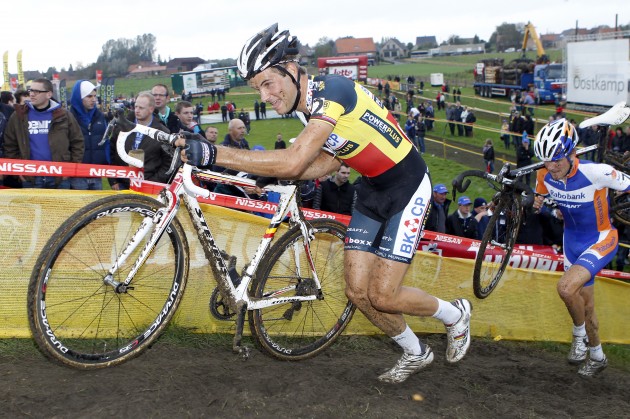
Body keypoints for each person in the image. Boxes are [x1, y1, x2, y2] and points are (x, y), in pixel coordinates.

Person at [177, 24, 472, 384]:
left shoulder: (332, 91)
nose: (266, 96)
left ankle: (454, 314)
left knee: (382, 294)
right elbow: (333, 160)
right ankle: (415, 352)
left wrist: (214, 153)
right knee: (358, 292)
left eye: (269, 83)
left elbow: (294, 159)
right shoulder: (307, 108)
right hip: (372, 188)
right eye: (258, 89)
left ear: (291, 68)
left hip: (408, 186)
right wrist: (280, 174)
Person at [532, 118, 630, 377]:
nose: (551, 167)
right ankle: (597, 355)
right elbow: (539, 195)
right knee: (585, 307)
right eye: (546, 161)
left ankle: (578, 337)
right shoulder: (544, 174)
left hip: (601, 239)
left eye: (556, 161)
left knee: (564, 288)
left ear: (571, 153)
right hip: (571, 242)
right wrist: (536, 202)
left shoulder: (596, 172)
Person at [4, 78, 84, 189]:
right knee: (32, 207)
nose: (32, 94)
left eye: (36, 91)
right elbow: (10, 145)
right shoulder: (18, 116)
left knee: (61, 206)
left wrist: (71, 168)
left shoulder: (64, 115)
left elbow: (77, 142)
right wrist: (18, 170)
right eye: (30, 91)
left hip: (59, 176)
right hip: (30, 177)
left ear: (49, 94)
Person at [109, 92, 172, 190]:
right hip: (122, 184)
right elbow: (111, 152)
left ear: (151, 109)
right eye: (136, 107)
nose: (137, 110)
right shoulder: (122, 126)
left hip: (149, 185)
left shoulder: (162, 132)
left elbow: (168, 163)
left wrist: (154, 182)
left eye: (141, 108)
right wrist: (113, 180)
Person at [69, 80, 109, 190]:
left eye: (95, 96)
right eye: (89, 96)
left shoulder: (99, 116)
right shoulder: (69, 118)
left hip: (96, 173)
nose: (94, 100)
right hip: (77, 174)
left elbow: (105, 141)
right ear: (79, 97)